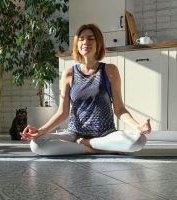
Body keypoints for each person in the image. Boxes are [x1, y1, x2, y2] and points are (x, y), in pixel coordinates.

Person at [21, 24, 151, 155]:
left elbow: (119, 109)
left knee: (139, 140)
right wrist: (41, 130)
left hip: (105, 134)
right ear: (77, 44)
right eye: (81, 39)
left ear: (98, 43)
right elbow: (62, 112)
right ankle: (95, 150)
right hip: (74, 135)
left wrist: (137, 126)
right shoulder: (69, 73)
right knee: (36, 144)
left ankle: (89, 144)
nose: (85, 42)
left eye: (91, 38)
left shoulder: (110, 70)